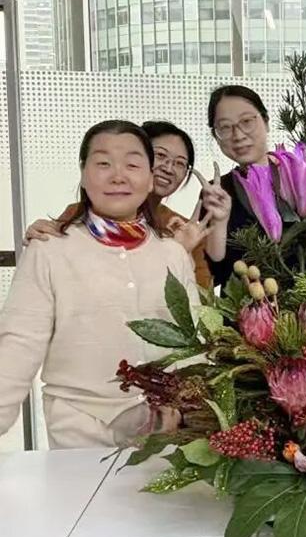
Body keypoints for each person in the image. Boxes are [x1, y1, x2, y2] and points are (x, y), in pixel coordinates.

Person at [0, 120, 199, 448]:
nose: (118, 175)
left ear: (150, 178)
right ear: (83, 173)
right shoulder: (50, 249)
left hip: (163, 433)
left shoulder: (172, 253)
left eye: (132, 165)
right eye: (103, 163)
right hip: (80, 428)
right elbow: (19, 343)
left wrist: (197, 414)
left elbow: (192, 343)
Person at [24, 120, 227, 289]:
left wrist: (181, 255)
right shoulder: (81, 214)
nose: (168, 168)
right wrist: (41, 240)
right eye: (160, 155)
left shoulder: (185, 229)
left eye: (180, 163)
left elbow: (203, 304)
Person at [204, 84, 273, 287]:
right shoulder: (216, 193)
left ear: (266, 121)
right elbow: (213, 276)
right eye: (225, 127)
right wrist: (219, 223)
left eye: (247, 121)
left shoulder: (305, 177)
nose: (238, 135)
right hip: (244, 305)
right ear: (216, 137)